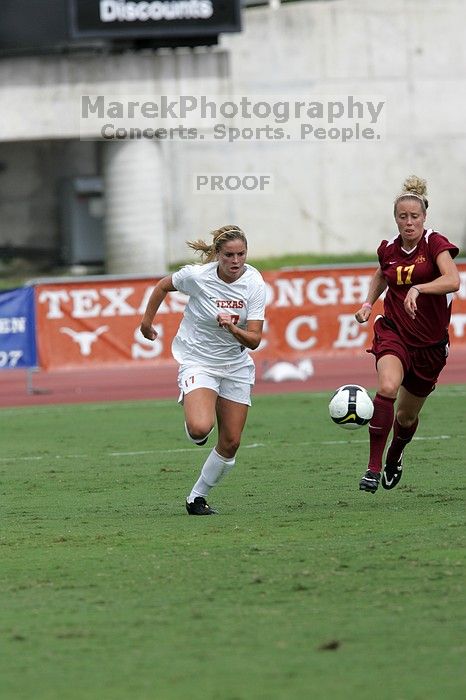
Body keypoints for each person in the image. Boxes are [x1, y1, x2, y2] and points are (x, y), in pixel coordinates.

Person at [140, 225, 266, 514]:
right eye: (229, 255)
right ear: (217, 255)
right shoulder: (197, 277)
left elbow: (255, 340)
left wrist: (233, 328)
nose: (236, 261)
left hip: (236, 365)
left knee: (231, 442)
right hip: (198, 359)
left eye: (241, 254)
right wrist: (147, 322)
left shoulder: (255, 284)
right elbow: (162, 286)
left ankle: (196, 497)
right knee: (200, 429)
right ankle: (195, 417)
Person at [354, 176, 460, 494]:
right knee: (387, 386)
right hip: (394, 332)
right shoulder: (388, 248)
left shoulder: (435, 244)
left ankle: (395, 456)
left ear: (424, 217)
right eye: (403, 216)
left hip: (429, 346)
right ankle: (372, 469)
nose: (409, 222)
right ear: (396, 218)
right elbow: (381, 275)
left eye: (414, 216)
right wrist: (367, 303)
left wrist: (419, 288)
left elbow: (453, 280)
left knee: (406, 415)